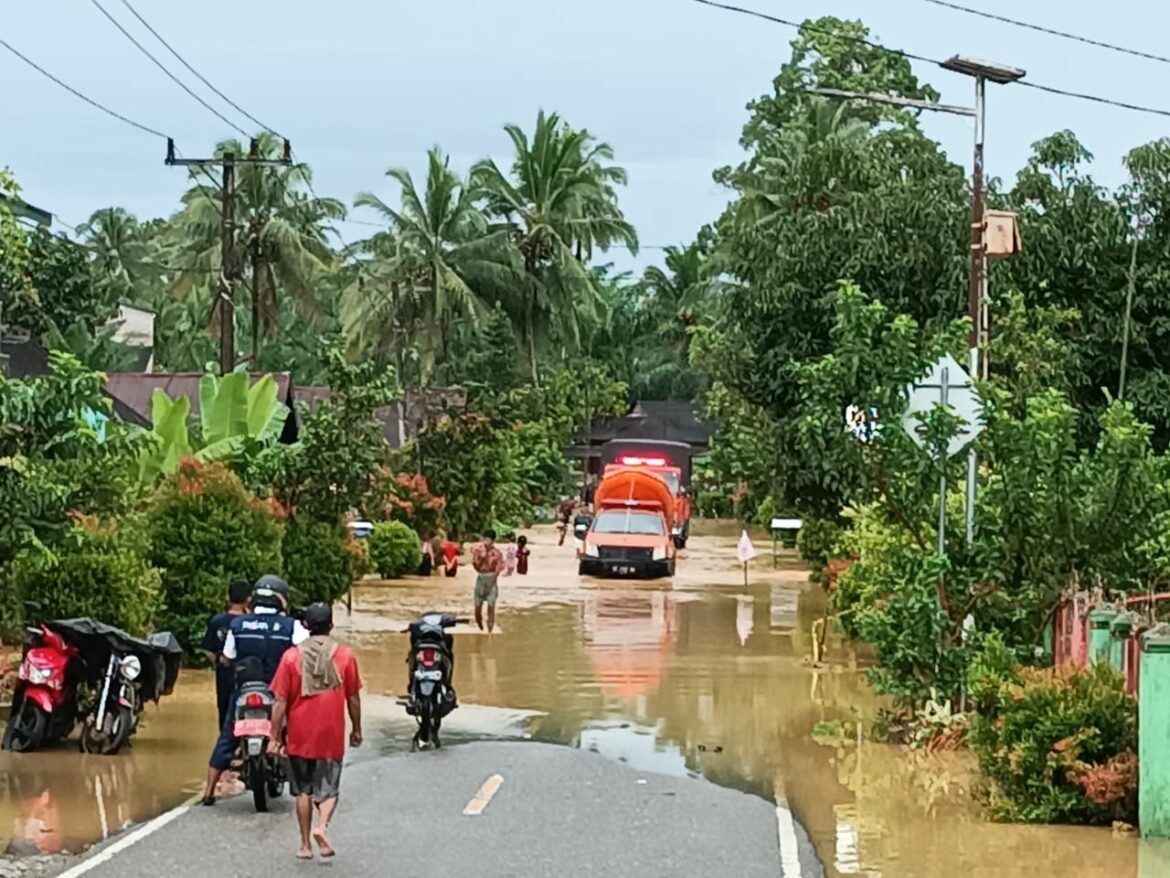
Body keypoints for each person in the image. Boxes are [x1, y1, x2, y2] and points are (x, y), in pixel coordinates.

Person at [200, 574, 310, 806]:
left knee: (228, 737)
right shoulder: (292, 626)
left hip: (244, 690)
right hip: (279, 692)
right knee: (297, 727)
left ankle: (209, 792)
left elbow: (227, 658)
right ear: (281, 599)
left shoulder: (238, 624)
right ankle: (303, 784)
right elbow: (306, 656)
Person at [268, 603, 362, 861]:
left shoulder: (291, 657)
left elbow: (279, 701)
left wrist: (274, 736)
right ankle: (322, 827)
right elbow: (353, 698)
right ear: (331, 626)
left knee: (303, 791)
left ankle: (305, 846)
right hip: (331, 735)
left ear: (306, 626)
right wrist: (356, 729)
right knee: (329, 789)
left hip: (299, 735)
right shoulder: (345, 656)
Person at [201, 579, 251, 730]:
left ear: (227, 597)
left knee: (224, 711)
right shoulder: (250, 622)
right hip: (247, 674)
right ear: (249, 599)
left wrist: (218, 663)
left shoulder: (217, 621)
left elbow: (207, 650)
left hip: (224, 673)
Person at [470, 530, 504, 633]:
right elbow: (476, 566)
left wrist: (491, 582)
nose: (486, 542)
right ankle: (480, 624)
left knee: (491, 607)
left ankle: (490, 632)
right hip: (481, 578)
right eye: (485, 539)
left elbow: (498, 570)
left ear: (493, 541)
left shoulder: (496, 553)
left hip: (492, 578)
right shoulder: (479, 551)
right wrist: (478, 558)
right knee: (477, 607)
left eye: (488, 540)